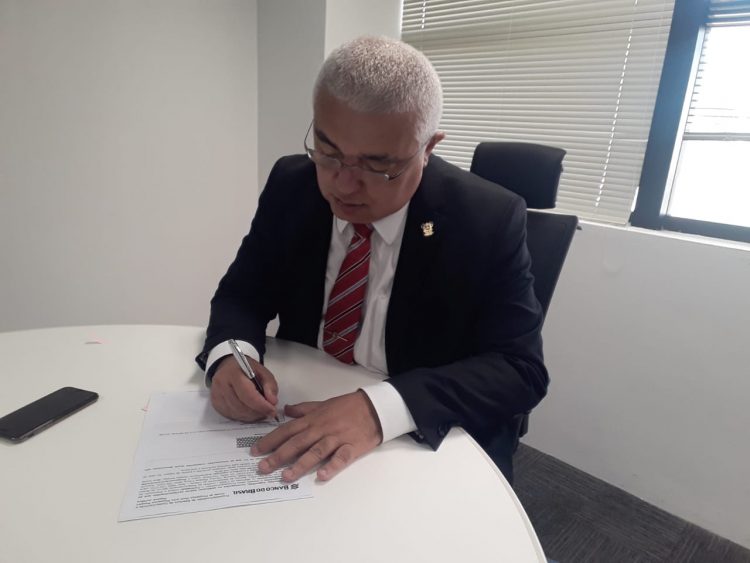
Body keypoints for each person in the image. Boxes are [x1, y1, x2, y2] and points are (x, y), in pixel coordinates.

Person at [196, 35, 548, 484]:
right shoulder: (292, 184)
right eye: (328, 152)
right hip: (300, 409)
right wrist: (232, 357)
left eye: (378, 166)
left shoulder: (487, 218)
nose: (342, 185)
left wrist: (378, 408)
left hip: (419, 435)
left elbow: (520, 370)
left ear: (428, 148)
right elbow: (243, 294)